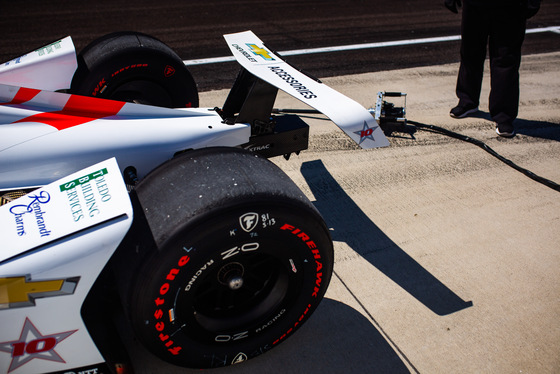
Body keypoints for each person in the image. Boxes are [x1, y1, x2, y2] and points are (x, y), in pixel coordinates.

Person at [445, 0, 541, 137]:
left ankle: (503, 116)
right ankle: (468, 100)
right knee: (470, 52)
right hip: (475, 5)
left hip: (510, 7)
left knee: (505, 60)